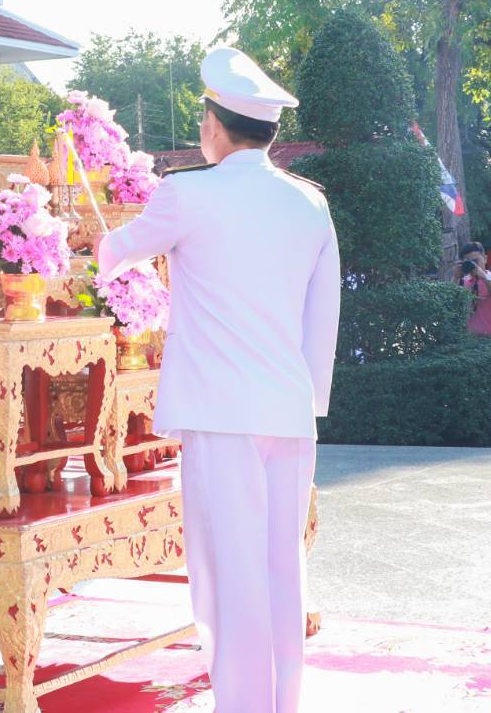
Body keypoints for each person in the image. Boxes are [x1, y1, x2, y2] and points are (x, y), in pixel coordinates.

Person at [96, 46, 339, 713]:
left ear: (213, 125)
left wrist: (97, 242)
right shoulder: (310, 203)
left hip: (221, 414)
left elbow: (117, 253)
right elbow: (323, 316)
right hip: (288, 410)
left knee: (229, 576)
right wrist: (309, 401)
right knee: (282, 567)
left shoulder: (188, 193)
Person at [457, 242, 491, 337]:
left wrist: (484, 278)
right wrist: (455, 277)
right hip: (468, 337)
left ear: (485, 259)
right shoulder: (463, 282)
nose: (473, 265)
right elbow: (450, 303)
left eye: (475, 260)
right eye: (469, 262)